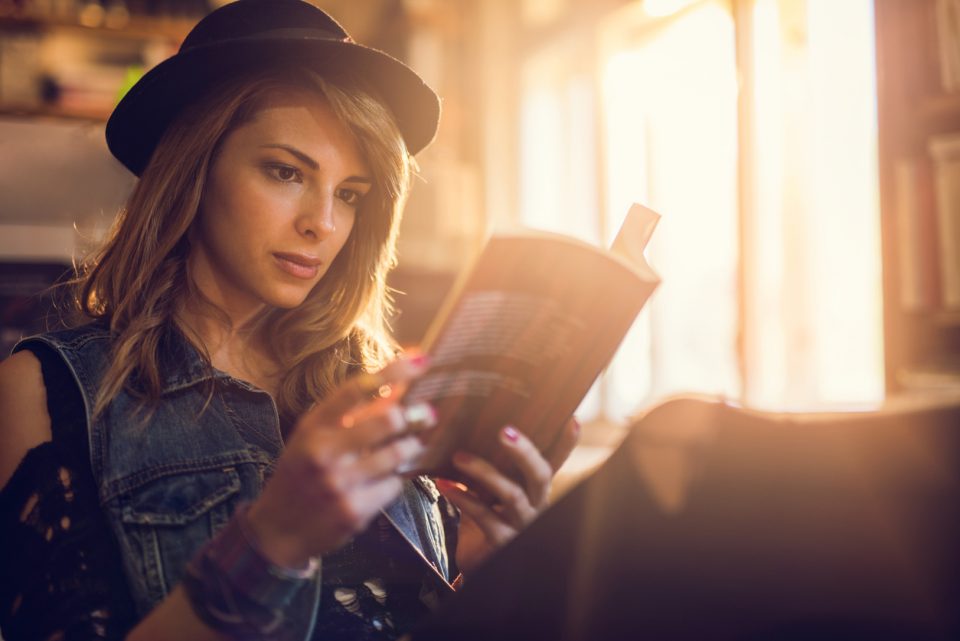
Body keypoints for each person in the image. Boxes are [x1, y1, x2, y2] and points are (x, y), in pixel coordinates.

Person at [0, 1, 578, 640]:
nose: (322, 224)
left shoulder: (382, 392)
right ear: (194, 171)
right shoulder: (48, 390)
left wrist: (485, 577)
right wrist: (271, 542)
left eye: (350, 194)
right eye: (285, 172)